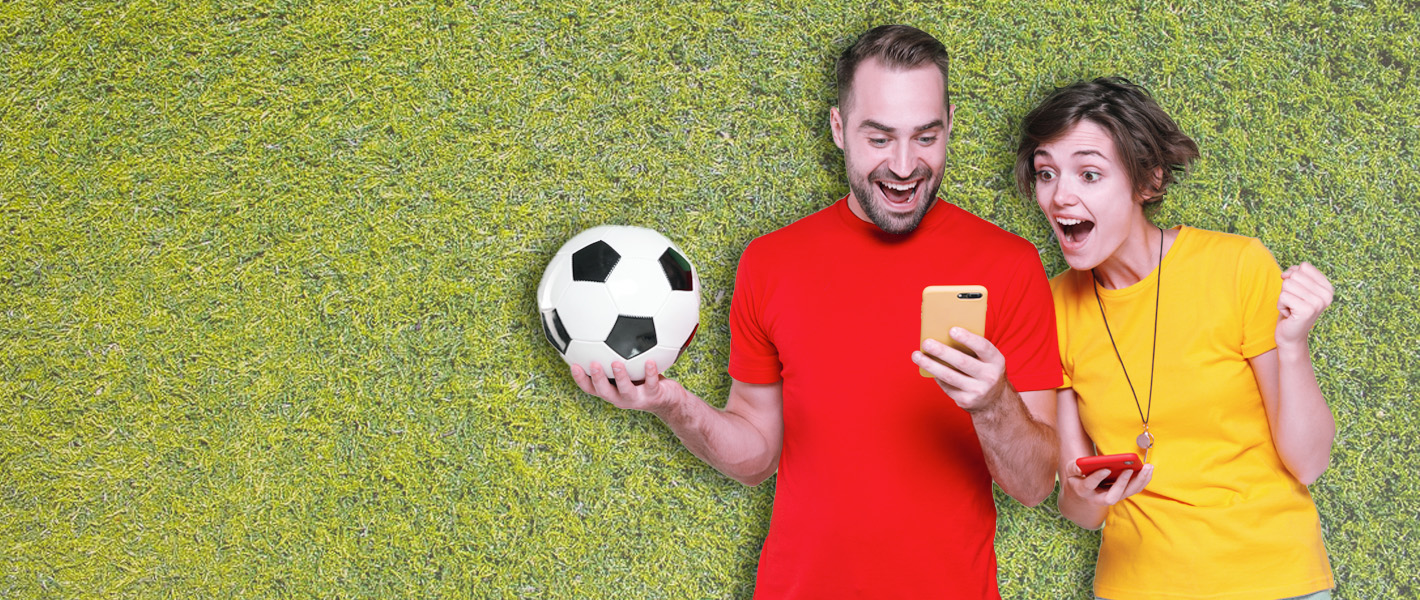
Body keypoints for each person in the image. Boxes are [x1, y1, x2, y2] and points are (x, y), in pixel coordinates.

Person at [570, 25, 1062, 598]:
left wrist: (993, 401)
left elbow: (1032, 485)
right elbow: (755, 457)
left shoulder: (1009, 265)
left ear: (950, 124)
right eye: (879, 139)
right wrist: (675, 405)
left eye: (925, 137)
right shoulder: (771, 263)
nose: (904, 166)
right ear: (838, 129)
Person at [1016, 77, 1336, 600]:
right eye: (1046, 173)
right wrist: (1082, 489)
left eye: (1089, 173)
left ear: (1148, 181)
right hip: (1138, 586)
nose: (1059, 196)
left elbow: (1309, 461)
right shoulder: (1050, 307)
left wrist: (1294, 347)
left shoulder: (1236, 265)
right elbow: (1084, 513)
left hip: (1275, 581)